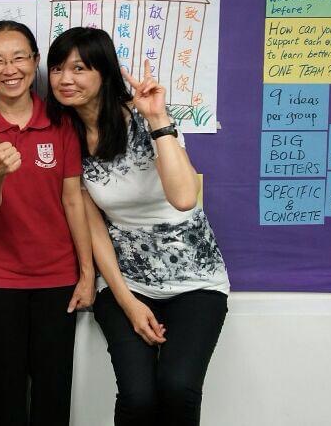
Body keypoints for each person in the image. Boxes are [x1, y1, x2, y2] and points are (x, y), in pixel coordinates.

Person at [46, 26, 229, 426]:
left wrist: (159, 118)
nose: (65, 79)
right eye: (57, 68)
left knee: (178, 387)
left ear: (104, 72)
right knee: (139, 397)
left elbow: (184, 198)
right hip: (124, 281)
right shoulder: (65, 135)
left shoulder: (145, 119)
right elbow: (93, 224)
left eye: (79, 68)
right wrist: (128, 301)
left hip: (194, 281)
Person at [0, 21, 95, 426]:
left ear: (35, 62)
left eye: (19, 57)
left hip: (58, 277)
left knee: (54, 391)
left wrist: (87, 273)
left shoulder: (62, 123)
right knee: (7, 393)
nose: (9, 68)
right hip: (3, 279)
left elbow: (74, 199)